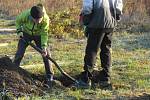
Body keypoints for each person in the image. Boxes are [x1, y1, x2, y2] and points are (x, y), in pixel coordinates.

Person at [79, 0, 123, 89]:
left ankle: (86, 79)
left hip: (96, 22)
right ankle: (105, 77)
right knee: (106, 49)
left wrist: (86, 19)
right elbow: (119, 6)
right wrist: (116, 18)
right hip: (110, 23)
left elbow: (88, 7)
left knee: (92, 50)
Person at [13, 4, 54, 88]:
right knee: (19, 53)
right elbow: (18, 21)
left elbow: (44, 33)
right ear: (31, 17)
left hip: (39, 35)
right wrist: (19, 31)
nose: (38, 21)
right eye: (36, 19)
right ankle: (13, 71)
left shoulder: (45, 19)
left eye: (39, 19)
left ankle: (50, 76)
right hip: (26, 34)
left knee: (47, 55)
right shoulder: (26, 15)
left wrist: (43, 46)